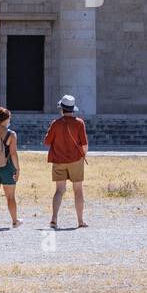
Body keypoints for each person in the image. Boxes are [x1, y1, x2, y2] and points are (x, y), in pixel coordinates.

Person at [44, 94, 89, 229]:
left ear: (62, 109)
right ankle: (80, 221)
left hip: (58, 160)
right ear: (73, 109)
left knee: (59, 190)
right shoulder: (79, 123)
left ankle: (54, 219)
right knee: (78, 190)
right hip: (76, 160)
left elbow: (47, 142)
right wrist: (82, 157)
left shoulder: (55, 123)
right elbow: (84, 144)